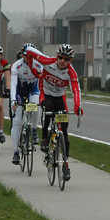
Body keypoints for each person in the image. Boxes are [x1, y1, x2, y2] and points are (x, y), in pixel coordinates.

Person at [25, 44, 83, 181]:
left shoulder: (71, 72)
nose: (62, 60)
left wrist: (77, 106)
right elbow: (29, 52)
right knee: (48, 111)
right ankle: (45, 136)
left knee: (64, 131)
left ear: (70, 61)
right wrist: (33, 68)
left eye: (66, 59)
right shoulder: (48, 62)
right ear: (57, 56)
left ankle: (66, 164)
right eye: (60, 57)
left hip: (60, 98)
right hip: (45, 94)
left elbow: (76, 89)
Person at [10, 43, 43, 165]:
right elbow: (13, 85)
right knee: (17, 121)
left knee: (35, 105)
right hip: (19, 93)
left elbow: (41, 84)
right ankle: (15, 152)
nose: (28, 58)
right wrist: (13, 100)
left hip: (32, 91)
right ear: (22, 55)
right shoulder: (16, 66)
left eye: (31, 55)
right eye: (26, 55)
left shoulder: (39, 65)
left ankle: (33, 129)